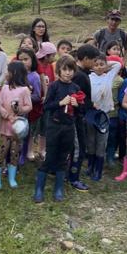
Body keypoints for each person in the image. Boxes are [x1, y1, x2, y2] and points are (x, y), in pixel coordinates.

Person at [34, 56, 82, 203]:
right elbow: (47, 106)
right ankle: (39, 189)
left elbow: (80, 111)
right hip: (54, 125)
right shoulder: (54, 86)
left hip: (68, 126)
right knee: (50, 157)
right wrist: (61, 102)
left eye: (71, 70)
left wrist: (77, 105)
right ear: (59, 71)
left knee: (63, 157)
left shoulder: (75, 88)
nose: (68, 73)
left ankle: (58, 188)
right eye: (65, 69)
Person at [0, 61, 33, 190]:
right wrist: (5, 113)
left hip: (17, 128)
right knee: (2, 151)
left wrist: (19, 110)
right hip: (5, 127)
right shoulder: (4, 88)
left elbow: (29, 106)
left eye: (8, 71)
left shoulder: (25, 90)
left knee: (15, 152)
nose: (6, 73)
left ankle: (12, 178)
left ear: (14, 73)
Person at [86, 52, 122, 181]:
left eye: (102, 65)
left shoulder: (109, 76)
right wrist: (96, 63)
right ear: (91, 67)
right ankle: (90, 166)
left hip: (104, 114)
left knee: (101, 142)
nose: (99, 67)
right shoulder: (89, 77)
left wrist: (106, 64)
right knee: (91, 140)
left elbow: (118, 64)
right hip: (91, 113)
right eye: (96, 65)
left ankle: (98, 170)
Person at [69, 44, 98, 191]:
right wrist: (88, 104)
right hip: (76, 117)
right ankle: (74, 178)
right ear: (85, 59)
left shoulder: (81, 72)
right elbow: (77, 98)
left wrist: (91, 104)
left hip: (78, 115)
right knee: (79, 149)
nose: (94, 64)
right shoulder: (79, 75)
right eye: (93, 60)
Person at [16, 47, 43, 164]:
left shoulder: (34, 76)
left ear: (32, 60)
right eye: (20, 59)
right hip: (15, 111)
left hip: (29, 112)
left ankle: (23, 155)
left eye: (26, 59)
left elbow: (37, 95)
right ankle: (13, 155)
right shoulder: (15, 74)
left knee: (26, 134)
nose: (23, 62)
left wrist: (25, 98)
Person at [33, 42, 57, 161]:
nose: (54, 58)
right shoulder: (36, 66)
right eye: (53, 55)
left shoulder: (50, 67)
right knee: (34, 127)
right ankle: (29, 150)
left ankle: (42, 150)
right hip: (36, 102)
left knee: (45, 126)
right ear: (46, 56)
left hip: (47, 103)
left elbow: (51, 82)